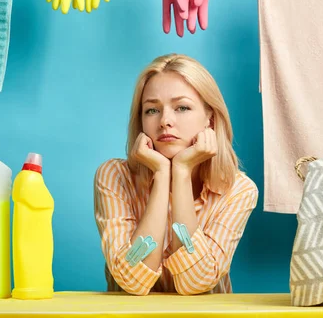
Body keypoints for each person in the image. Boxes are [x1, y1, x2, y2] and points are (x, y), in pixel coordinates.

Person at [93, 53, 258, 296]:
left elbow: (196, 283)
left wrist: (181, 172)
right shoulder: (114, 176)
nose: (165, 121)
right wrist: (162, 174)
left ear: (209, 118)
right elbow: (132, 281)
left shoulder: (238, 190)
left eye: (182, 107)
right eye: (151, 110)